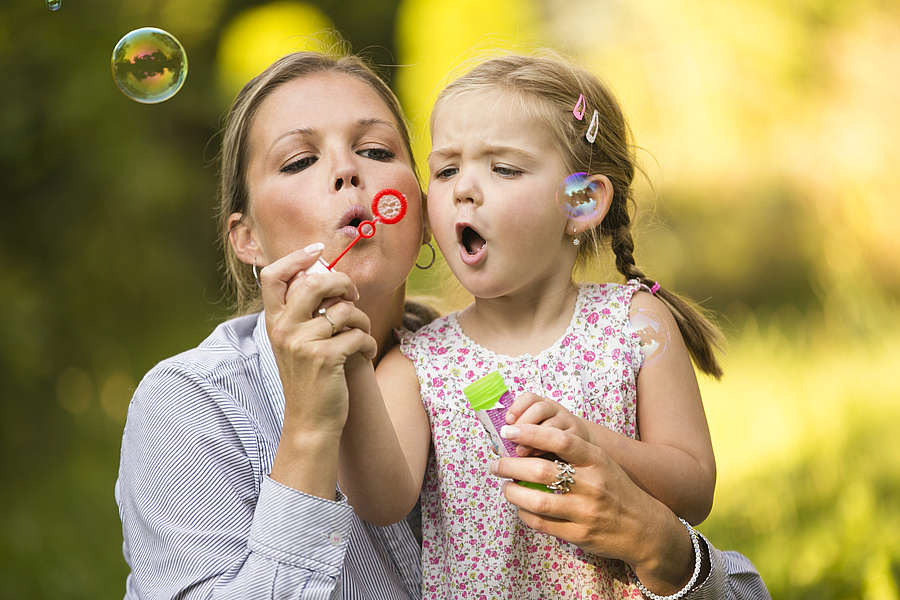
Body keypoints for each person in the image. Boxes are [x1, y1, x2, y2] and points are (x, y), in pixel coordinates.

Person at [116, 46, 769, 600]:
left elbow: (708, 531)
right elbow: (384, 495)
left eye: (374, 150)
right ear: (247, 238)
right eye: (298, 161)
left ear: (420, 214)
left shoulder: (575, 330)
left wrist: (667, 553)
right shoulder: (191, 406)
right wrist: (314, 420)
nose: (347, 171)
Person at [367, 51, 742, 599]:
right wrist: (348, 359)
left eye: (504, 168)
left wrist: (592, 442)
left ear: (582, 201)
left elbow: (694, 490)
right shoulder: (418, 365)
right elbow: (380, 501)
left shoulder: (632, 325)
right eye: (446, 169)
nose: (463, 189)